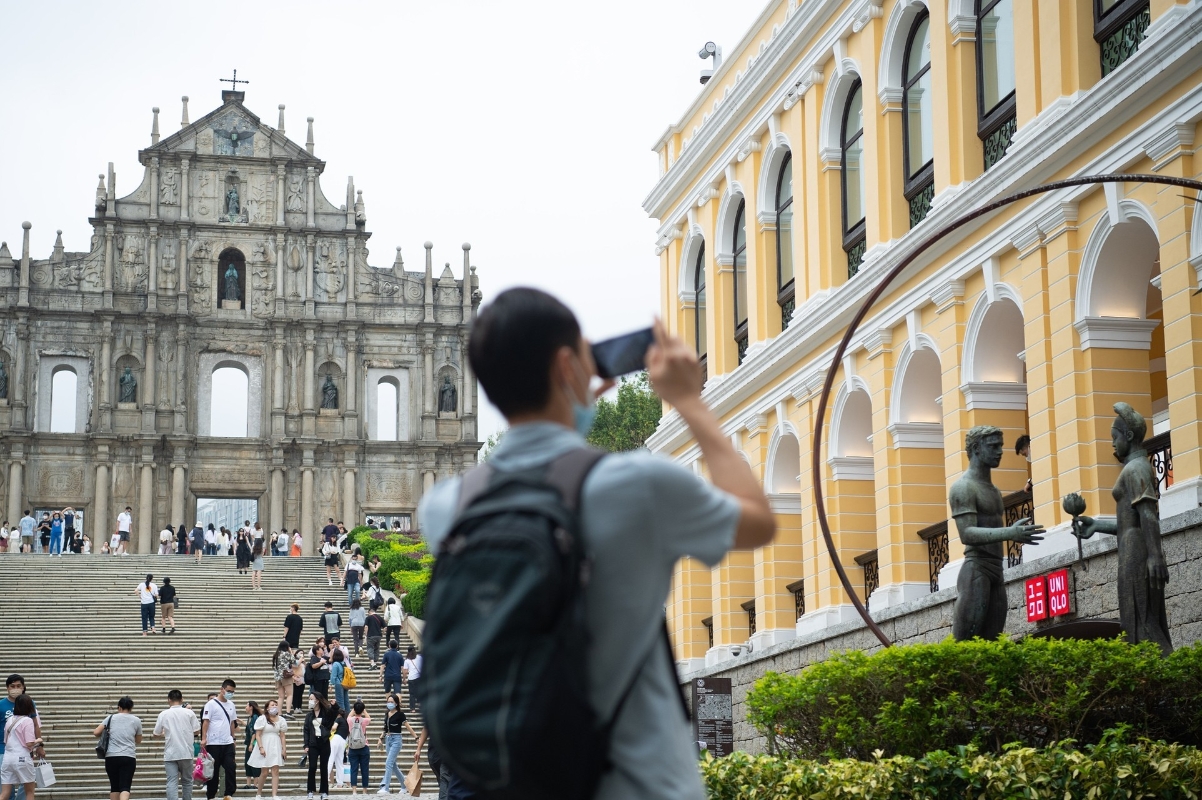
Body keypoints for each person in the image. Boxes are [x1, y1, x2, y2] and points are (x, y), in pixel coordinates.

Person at [417, 291, 777, 800]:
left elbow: (543, 479)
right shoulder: (637, 485)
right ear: (568, 368)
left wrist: (570, 404)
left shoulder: (445, 509)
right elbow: (758, 521)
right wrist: (689, 401)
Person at [1072, 403, 1174, 655]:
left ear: (1128, 435)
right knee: (1137, 619)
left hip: (1137, 552)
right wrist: (1096, 525)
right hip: (1132, 547)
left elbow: (1148, 514)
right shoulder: (1135, 467)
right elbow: (1131, 522)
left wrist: (1155, 556)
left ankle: (1172, 672)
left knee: (1142, 621)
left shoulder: (1136, 468)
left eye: (1114, 437)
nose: (1112, 444)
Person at [949, 427, 1045, 641]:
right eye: (993, 446)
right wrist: (1010, 532)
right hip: (976, 569)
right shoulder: (963, 487)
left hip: (996, 570)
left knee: (993, 644)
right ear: (976, 448)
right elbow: (966, 534)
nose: (1000, 451)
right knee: (964, 645)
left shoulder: (993, 490)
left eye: (1000, 446)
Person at [154, 689, 200, 800]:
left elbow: (156, 733)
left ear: (169, 700)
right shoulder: (189, 713)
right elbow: (197, 731)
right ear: (182, 699)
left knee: (172, 781)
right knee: (187, 781)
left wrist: (164, 734)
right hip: (186, 752)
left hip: (171, 753)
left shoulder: (163, 714)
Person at [94, 696, 142, 800]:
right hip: (128, 757)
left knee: (114, 787)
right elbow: (138, 740)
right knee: (125, 787)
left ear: (119, 707)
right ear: (131, 708)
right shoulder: (136, 720)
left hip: (111, 757)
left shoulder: (110, 718)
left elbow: (96, 732)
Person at [200, 679, 240, 800]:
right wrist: (204, 738)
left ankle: (229, 793)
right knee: (214, 770)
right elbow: (206, 722)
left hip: (227, 742)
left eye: (232, 692)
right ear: (222, 689)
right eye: (228, 691)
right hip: (213, 743)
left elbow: (232, 723)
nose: (230, 693)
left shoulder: (231, 705)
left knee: (230, 767)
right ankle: (211, 795)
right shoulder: (211, 704)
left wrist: (233, 738)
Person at [376, 692, 418, 796]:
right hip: (388, 739)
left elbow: (408, 726)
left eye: (391, 702)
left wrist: (416, 737)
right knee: (393, 765)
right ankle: (404, 785)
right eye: (388, 701)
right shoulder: (387, 714)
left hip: (396, 739)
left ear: (396, 703)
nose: (389, 703)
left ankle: (385, 787)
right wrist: (380, 738)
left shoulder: (400, 714)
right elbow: (385, 729)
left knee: (389, 763)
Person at [0, 693, 40, 800]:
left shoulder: (9, 720)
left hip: (7, 758)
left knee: (4, 794)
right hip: (22, 758)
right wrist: (39, 740)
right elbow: (29, 743)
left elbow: (5, 740)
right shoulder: (28, 720)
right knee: (29, 793)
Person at [247, 699, 287, 800]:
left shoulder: (281, 720)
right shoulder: (262, 718)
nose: (275, 707)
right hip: (265, 743)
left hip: (276, 744)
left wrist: (284, 749)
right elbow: (258, 735)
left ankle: (274, 795)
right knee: (264, 772)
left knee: (275, 771)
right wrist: (261, 747)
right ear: (267, 708)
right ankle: (258, 793)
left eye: (276, 705)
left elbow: (282, 736)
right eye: (272, 705)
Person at [303, 694, 336, 800]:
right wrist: (306, 744)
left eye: (311, 699)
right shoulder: (309, 715)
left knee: (323, 767)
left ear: (317, 700)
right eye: (309, 699)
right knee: (312, 767)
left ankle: (324, 791)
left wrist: (335, 705)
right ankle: (310, 791)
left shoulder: (326, 713)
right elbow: (306, 730)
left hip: (324, 742)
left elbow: (335, 714)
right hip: (313, 743)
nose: (310, 701)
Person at [345, 701, 371, 796]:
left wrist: (354, 709)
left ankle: (354, 791)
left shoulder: (350, 720)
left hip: (352, 747)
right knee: (365, 770)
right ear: (362, 710)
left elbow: (349, 715)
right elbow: (369, 718)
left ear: (354, 710)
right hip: (364, 746)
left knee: (353, 769)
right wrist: (364, 710)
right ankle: (364, 791)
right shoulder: (364, 721)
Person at [327, 706, 349, 792]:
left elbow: (334, 728)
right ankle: (340, 783)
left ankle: (326, 777)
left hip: (336, 739)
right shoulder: (346, 722)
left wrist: (330, 729)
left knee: (331, 759)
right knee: (339, 762)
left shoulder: (338, 719)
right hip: (343, 741)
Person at [271, 642, 296, 718]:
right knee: (289, 694)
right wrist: (291, 652)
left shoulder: (276, 655)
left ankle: (279, 713)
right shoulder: (286, 653)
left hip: (277, 677)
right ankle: (288, 712)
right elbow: (293, 661)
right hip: (286, 676)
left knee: (281, 696)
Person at [242, 701, 262, 792]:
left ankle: (255, 784)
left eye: (247, 705)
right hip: (249, 742)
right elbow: (249, 727)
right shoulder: (250, 718)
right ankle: (248, 783)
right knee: (247, 762)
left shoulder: (255, 717)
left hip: (253, 743)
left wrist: (251, 743)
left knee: (254, 762)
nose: (245, 707)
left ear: (251, 707)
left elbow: (255, 731)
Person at [401, 647, 422, 712]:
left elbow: (405, 671)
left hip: (411, 678)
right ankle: (420, 703)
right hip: (419, 677)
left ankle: (412, 708)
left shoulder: (407, 660)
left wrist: (404, 679)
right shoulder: (419, 657)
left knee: (412, 694)